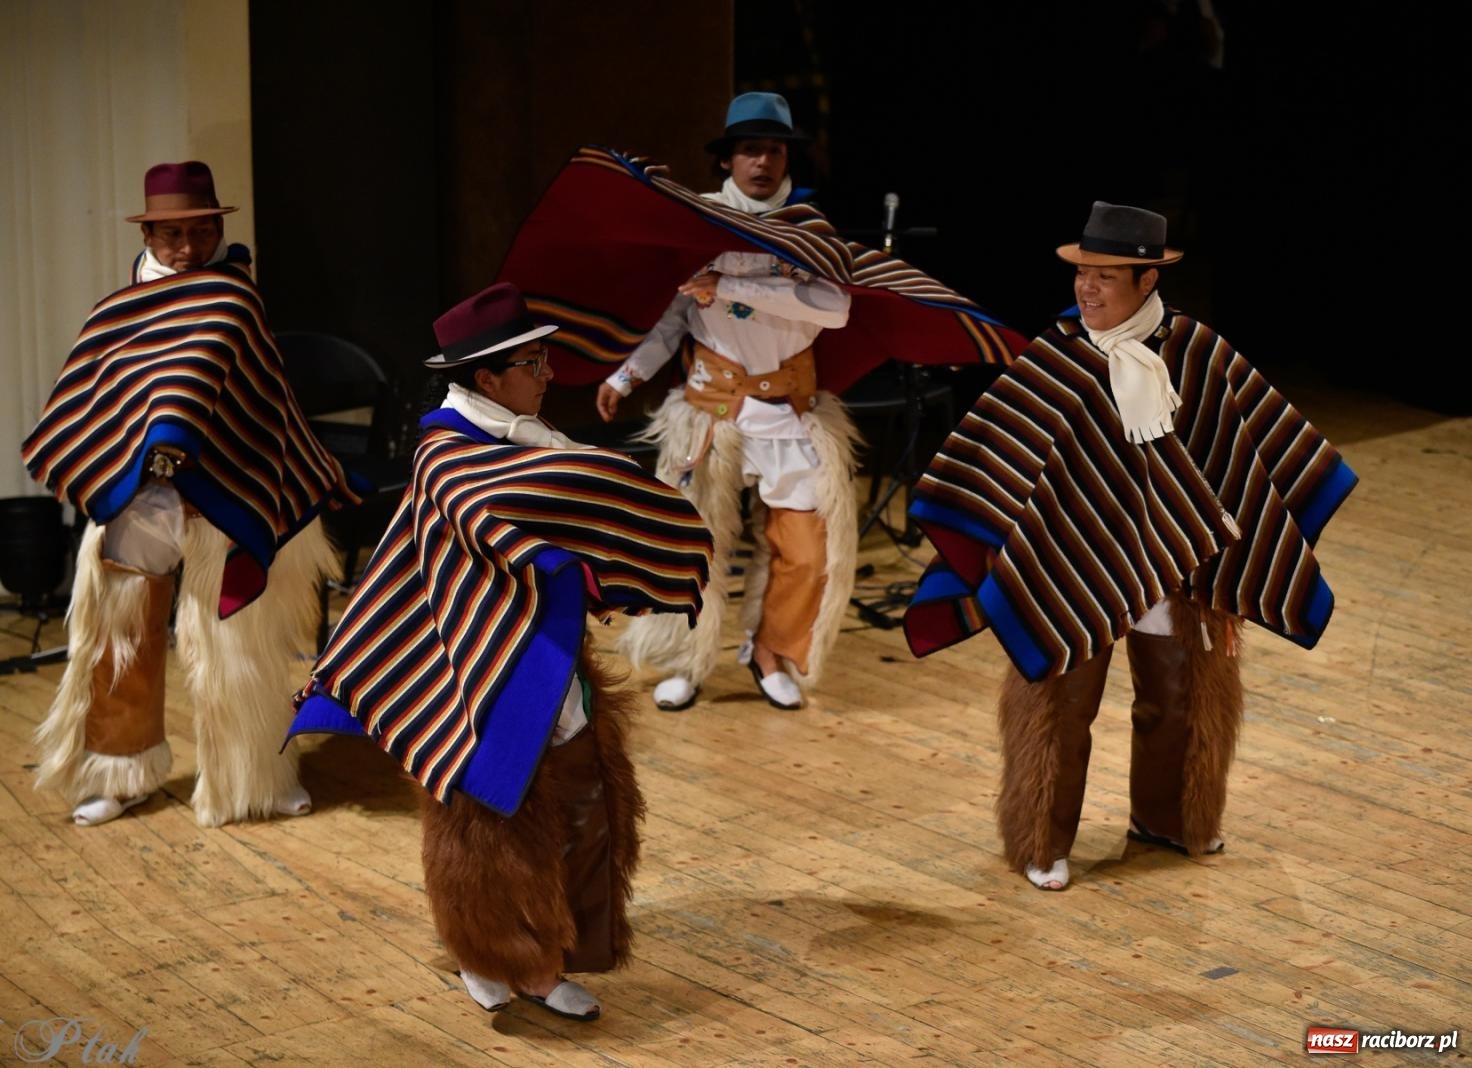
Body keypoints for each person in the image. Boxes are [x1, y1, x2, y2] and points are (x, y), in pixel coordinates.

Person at [286, 283, 713, 1019]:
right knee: (482, 809)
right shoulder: (448, 450)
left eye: (545, 360)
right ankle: (487, 949)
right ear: (487, 377)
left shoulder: (526, 437)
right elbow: (511, 516)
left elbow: (574, 499)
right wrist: (608, 503)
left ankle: (549, 952)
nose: (548, 375)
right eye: (533, 363)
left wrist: (653, 492)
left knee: (577, 794)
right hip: (468, 665)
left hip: (542, 651)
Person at [903, 201, 1357, 890]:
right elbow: (999, 455)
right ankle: (1041, 842)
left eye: (1105, 276)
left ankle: (1170, 818)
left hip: (1177, 564)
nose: (1086, 287)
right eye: (1082, 273)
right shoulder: (1058, 357)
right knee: (1061, 702)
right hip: (1071, 563)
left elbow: (1251, 456)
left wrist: (1229, 551)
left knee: (1177, 697)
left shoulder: (1196, 352)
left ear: (1147, 281)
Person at [23, 161, 359, 828]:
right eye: (170, 233)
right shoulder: (115, 312)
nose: (185, 248)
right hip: (143, 493)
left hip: (230, 483)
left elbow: (257, 400)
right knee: (122, 633)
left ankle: (254, 777)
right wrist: (138, 452)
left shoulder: (233, 296)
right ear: (148, 230)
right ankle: (117, 773)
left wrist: (182, 430)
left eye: (199, 231)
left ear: (216, 227)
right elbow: (89, 403)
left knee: (239, 635)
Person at [595, 91, 857, 712]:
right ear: (727, 160)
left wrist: (733, 286)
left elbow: (836, 309)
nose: (761, 161)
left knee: (804, 549)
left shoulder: (811, 228)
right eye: (749, 150)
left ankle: (770, 655)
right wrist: (627, 377)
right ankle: (689, 659)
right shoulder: (699, 223)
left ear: (786, 155)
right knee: (692, 545)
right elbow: (672, 318)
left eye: (772, 149)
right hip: (711, 410)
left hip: (790, 411)